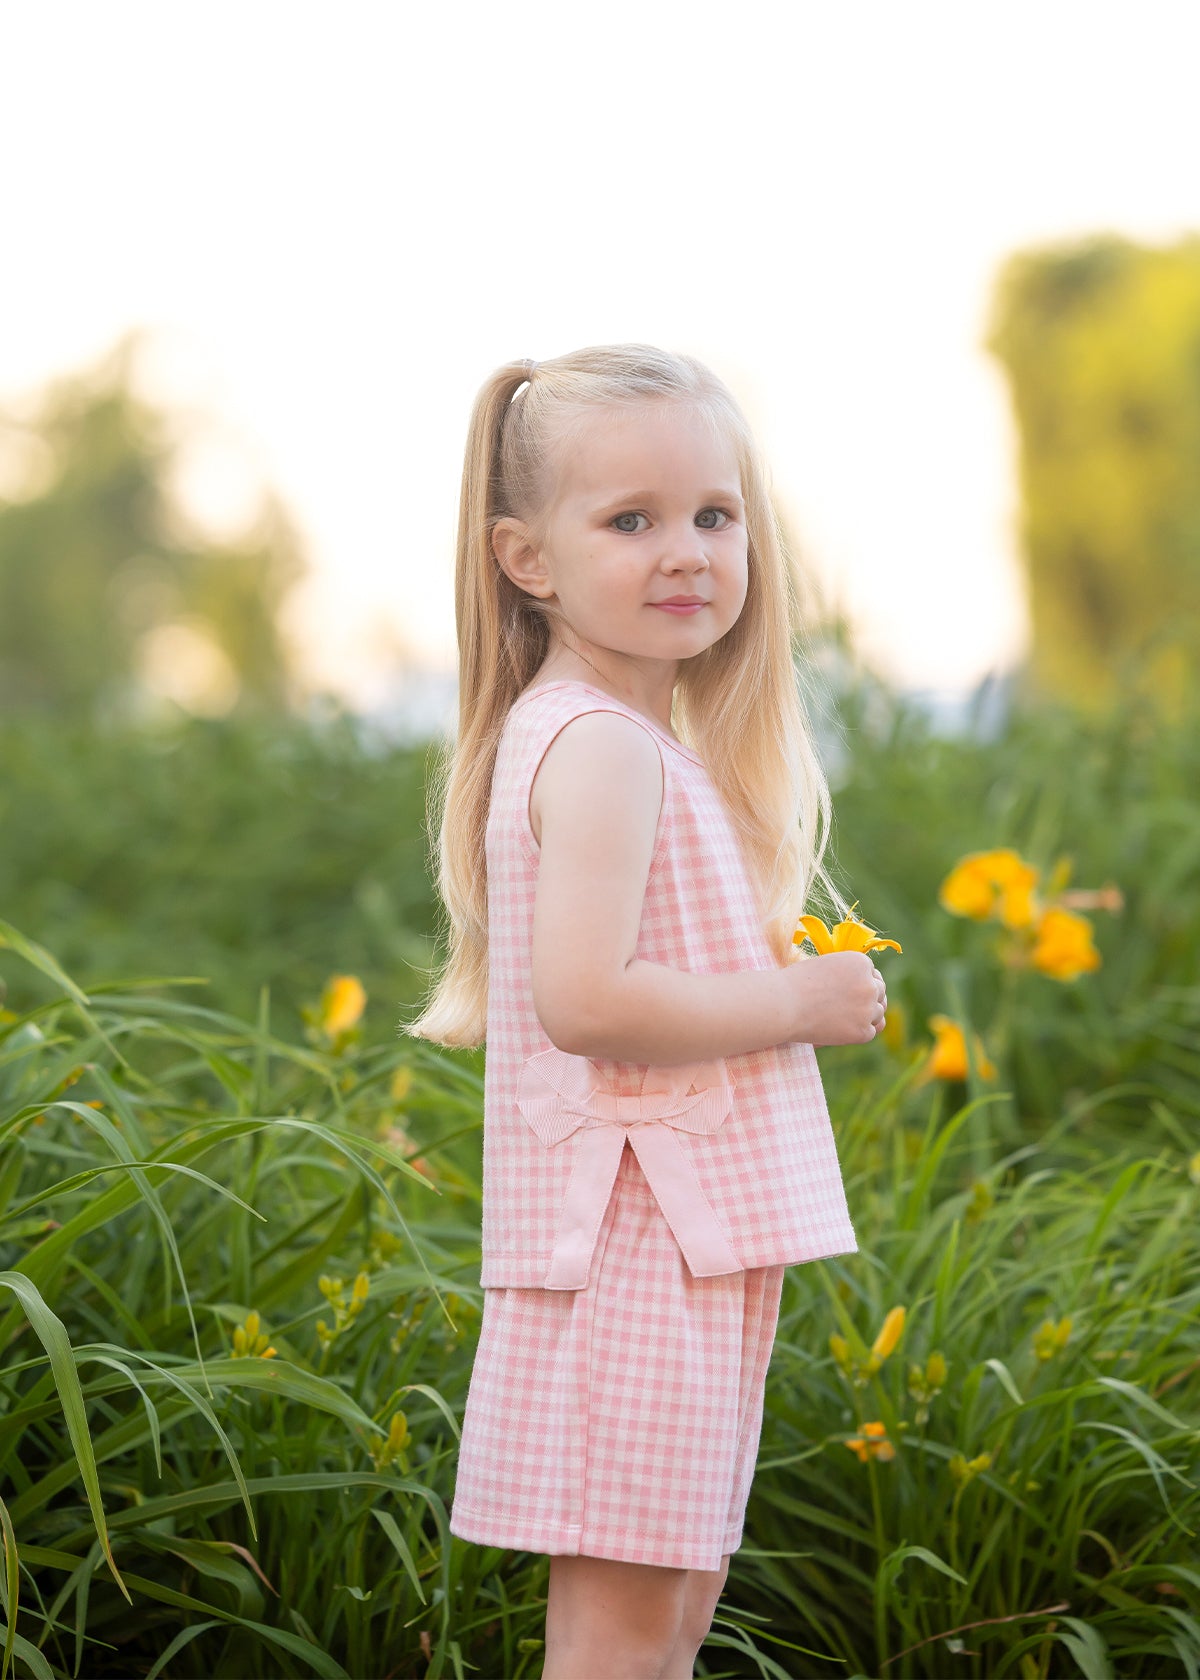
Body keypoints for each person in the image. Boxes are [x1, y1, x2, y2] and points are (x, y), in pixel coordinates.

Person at [408, 344, 887, 1680]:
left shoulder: (635, 739)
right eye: (632, 521)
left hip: (675, 1239)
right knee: (626, 1632)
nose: (684, 551)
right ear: (527, 558)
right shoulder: (603, 746)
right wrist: (791, 997)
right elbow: (586, 1001)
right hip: (630, 1241)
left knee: (669, 1611)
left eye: (713, 516)